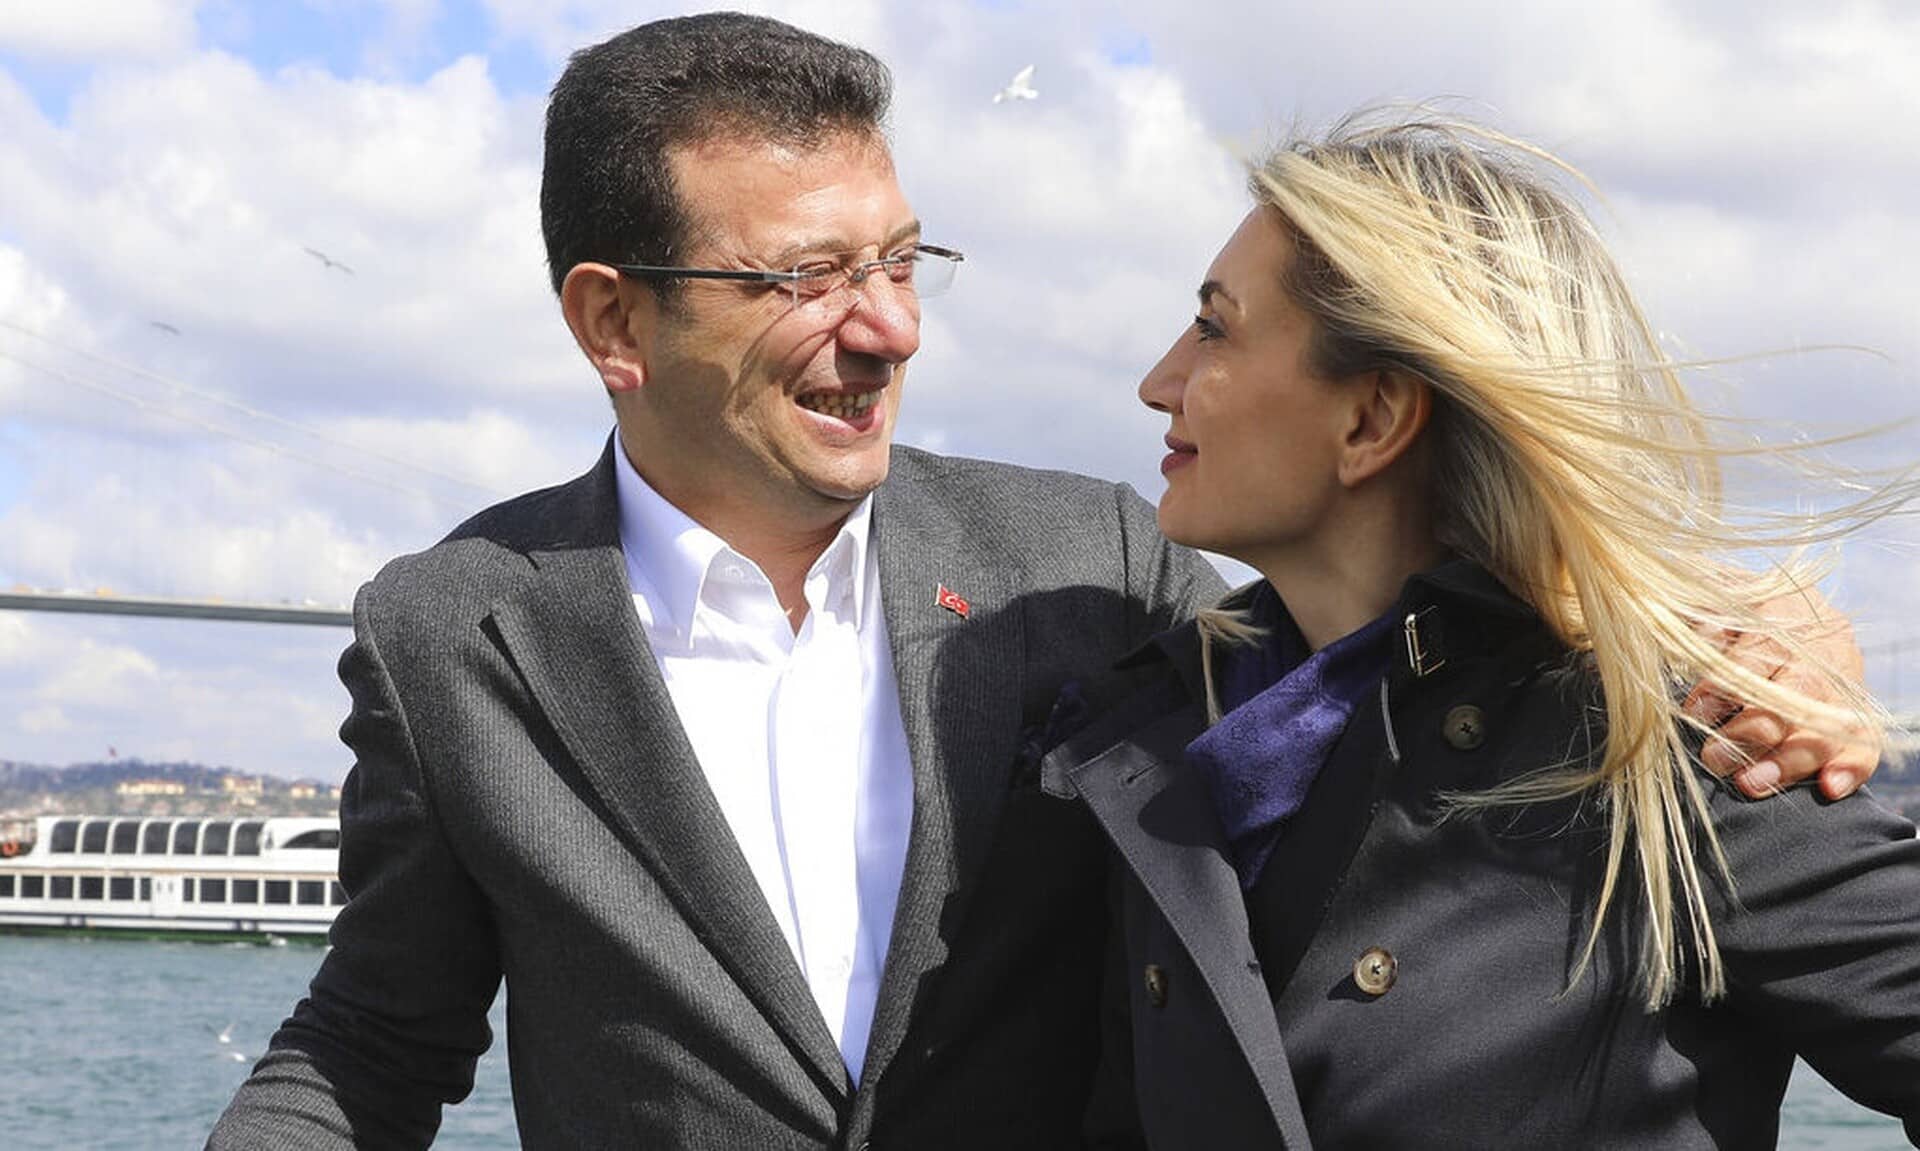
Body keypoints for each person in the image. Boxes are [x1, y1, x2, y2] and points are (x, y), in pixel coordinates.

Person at [210, 17, 1876, 1150]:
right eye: (807, 277)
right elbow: (375, 1039)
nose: (889, 326)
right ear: (611, 319)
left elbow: (1392, 665)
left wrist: (1732, 646)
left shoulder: (1095, 567)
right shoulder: (451, 634)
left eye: (898, 259)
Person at [1059, 114, 1920, 1149]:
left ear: (1373, 419)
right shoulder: (1160, 735)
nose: (1158, 381)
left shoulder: (1667, 745)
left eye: (1214, 329)